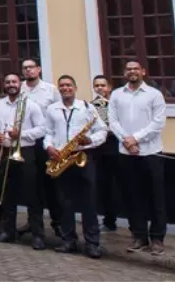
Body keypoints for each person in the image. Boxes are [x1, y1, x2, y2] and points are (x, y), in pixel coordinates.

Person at [109, 60, 168, 256]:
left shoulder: (154, 94)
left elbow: (157, 123)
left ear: (143, 71)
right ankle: (139, 236)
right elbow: (113, 121)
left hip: (151, 153)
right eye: (128, 69)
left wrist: (135, 139)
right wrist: (126, 141)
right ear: (124, 73)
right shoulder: (117, 94)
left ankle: (157, 238)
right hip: (126, 153)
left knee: (155, 197)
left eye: (135, 68)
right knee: (133, 197)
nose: (132, 71)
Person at [46, 74, 107, 258]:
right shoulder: (52, 109)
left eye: (68, 85)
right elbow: (48, 131)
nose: (65, 88)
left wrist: (90, 140)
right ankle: (68, 241)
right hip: (61, 158)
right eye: (62, 86)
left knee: (89, 202)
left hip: (82, 156)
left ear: (75, 87)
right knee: (65, 203)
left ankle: (92, 243)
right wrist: (48, 146)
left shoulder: (87, 108)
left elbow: (102, 130)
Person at [0, 72, 47, 249]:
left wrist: (21, 134)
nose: (11, 84)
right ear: (4, 85)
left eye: (14, 81)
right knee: (7, 194)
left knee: (32, 194)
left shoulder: (31, 105)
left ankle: (38, 235)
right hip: (6, 151)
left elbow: (42, 129)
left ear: (19, 84)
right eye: (7, 82)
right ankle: (9, 231)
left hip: (26, 151)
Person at [21, 57, 63, 236]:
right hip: (27, 142)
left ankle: (58, 223)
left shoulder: (51, 90)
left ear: (39, 69)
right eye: (25, 68)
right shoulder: (20, 89)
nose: (28, 70)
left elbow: (58, 115)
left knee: (51, 184)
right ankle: (33, 222)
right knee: (31, 185)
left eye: (31, 67)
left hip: (47, 142)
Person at [91, 74, 121, 232]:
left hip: (115, 147)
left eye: (103, 85)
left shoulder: (116, 104)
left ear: (109, 87)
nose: (100, 88)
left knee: (115, 186)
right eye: (97, 86)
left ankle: (113, 220)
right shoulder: (92, 106)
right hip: (98, 149)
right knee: (102, 185)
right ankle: (105, 220)